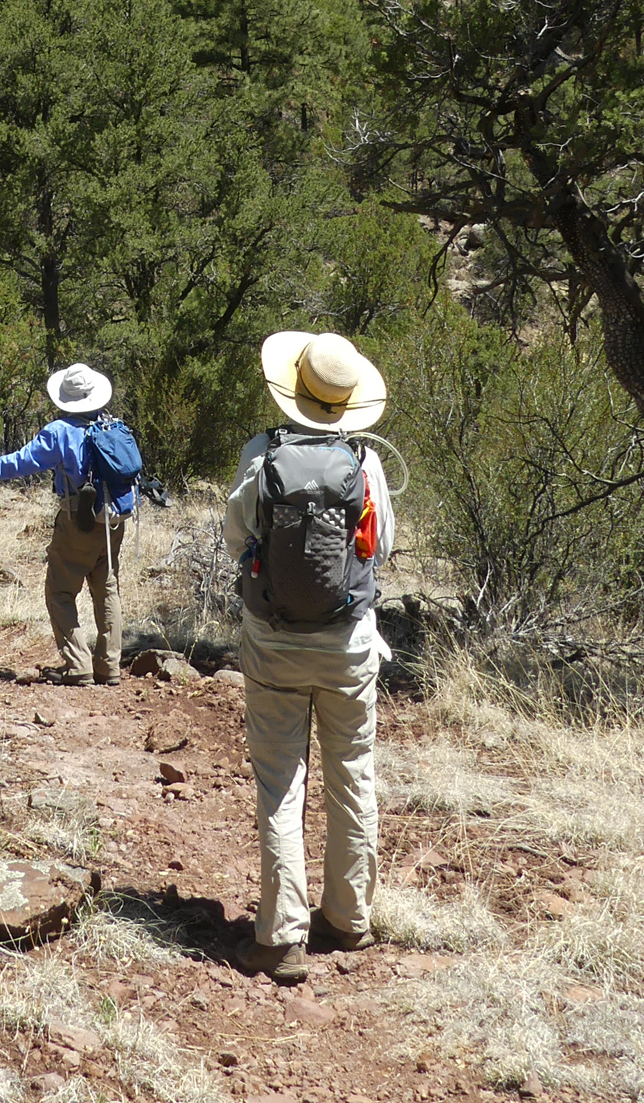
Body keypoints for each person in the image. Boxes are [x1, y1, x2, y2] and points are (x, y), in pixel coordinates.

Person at [225, 330, 395, 985]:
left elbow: (235, 533)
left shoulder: (261, 455)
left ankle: (281, 935)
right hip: (350, 642)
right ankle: (348, 917)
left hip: (273, 642)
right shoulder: (365, 462)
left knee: (281, 782)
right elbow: (378, 552)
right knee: (352, 771)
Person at [0, 361, 130, 686]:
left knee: (60, 590)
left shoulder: (60, 432)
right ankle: (109, 666)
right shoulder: (111, 425)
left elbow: (18, 464)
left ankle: (78, 665)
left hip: (79, 520)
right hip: (115, 520)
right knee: (107, 588)